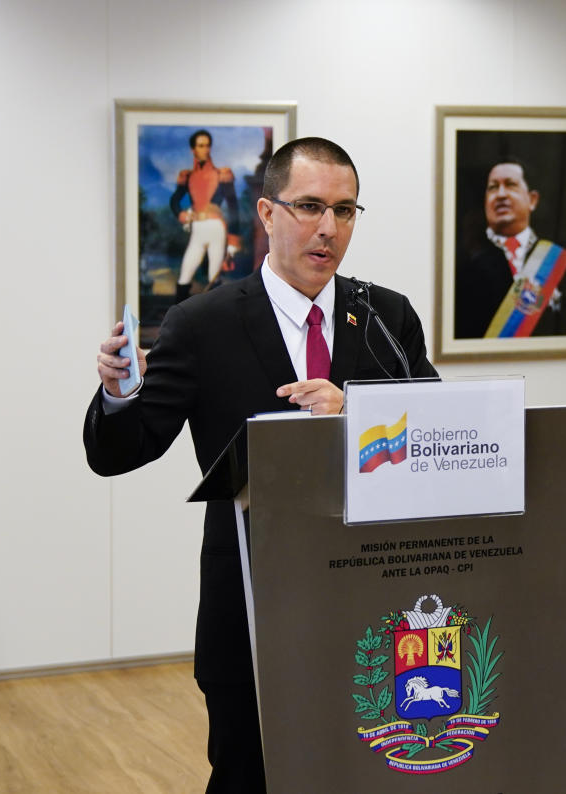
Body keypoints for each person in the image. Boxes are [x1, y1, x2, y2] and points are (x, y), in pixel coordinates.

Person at [85, 137, 438, 793]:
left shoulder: (386, 317)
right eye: (309, 206)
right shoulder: (200, 323)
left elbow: (439, 437)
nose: (328, 228)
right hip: (250, 608)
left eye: (345, 210)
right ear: (268, 213)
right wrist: (118, 393)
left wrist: (356, 410)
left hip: (375, 604)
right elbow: (122, 451)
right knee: (249, 776)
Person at [455, 158, 566, 339]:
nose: (501, 194)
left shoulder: (556, 260)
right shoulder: (469, 260)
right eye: (493, 187)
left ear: (532, 200)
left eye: (510, 185)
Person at [170, 130, 240, 303]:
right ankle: (177, 324)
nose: (206, 150)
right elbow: (174, 200)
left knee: (213, 279)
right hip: (198, 230)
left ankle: (214, 326)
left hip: (217, 229)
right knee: (185, 275)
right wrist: (182, 214)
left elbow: (233, 207)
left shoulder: (221, 174)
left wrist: (233, 242)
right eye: (201, 146)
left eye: (208, 145)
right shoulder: (188, 176)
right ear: (193, 150)